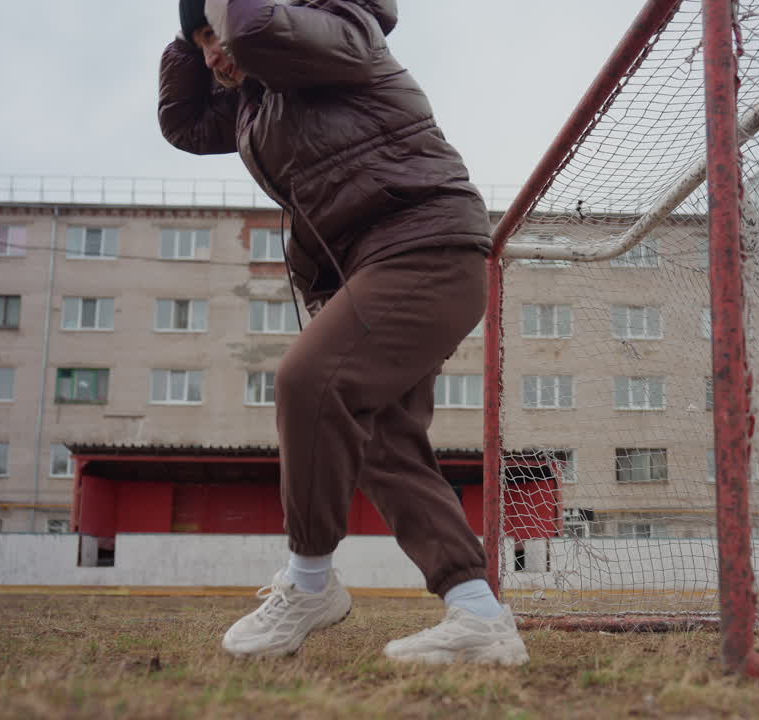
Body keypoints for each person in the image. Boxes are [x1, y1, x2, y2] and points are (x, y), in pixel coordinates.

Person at [158, 0, 529, 665]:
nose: (216, 49)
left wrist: (226, 19)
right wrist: (189, 39)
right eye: (202, 40)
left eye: (216, 27)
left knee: (311, 382)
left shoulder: (344, 31)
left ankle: (310, 582)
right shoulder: (253, 106)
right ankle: (479, 617)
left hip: (426, 248)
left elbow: (259, 28)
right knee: (387, 446)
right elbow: (183, 124)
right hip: (374, 268)